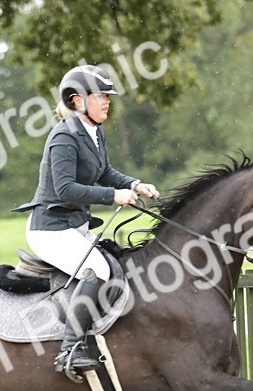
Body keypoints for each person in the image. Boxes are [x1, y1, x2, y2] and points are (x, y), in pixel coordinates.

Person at [15, 64, 159, 375]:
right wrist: (112, 197)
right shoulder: (63, 137)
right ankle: (68, 350)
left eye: (108, 96)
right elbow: (65, 188)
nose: (107, 101)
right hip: (50, 229)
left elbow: (104, 172)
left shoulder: (94, 132)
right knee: (98, 270)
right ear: (77, 100)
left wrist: (133, 184)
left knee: (114, 264)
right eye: (101, 96)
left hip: (73, 227)